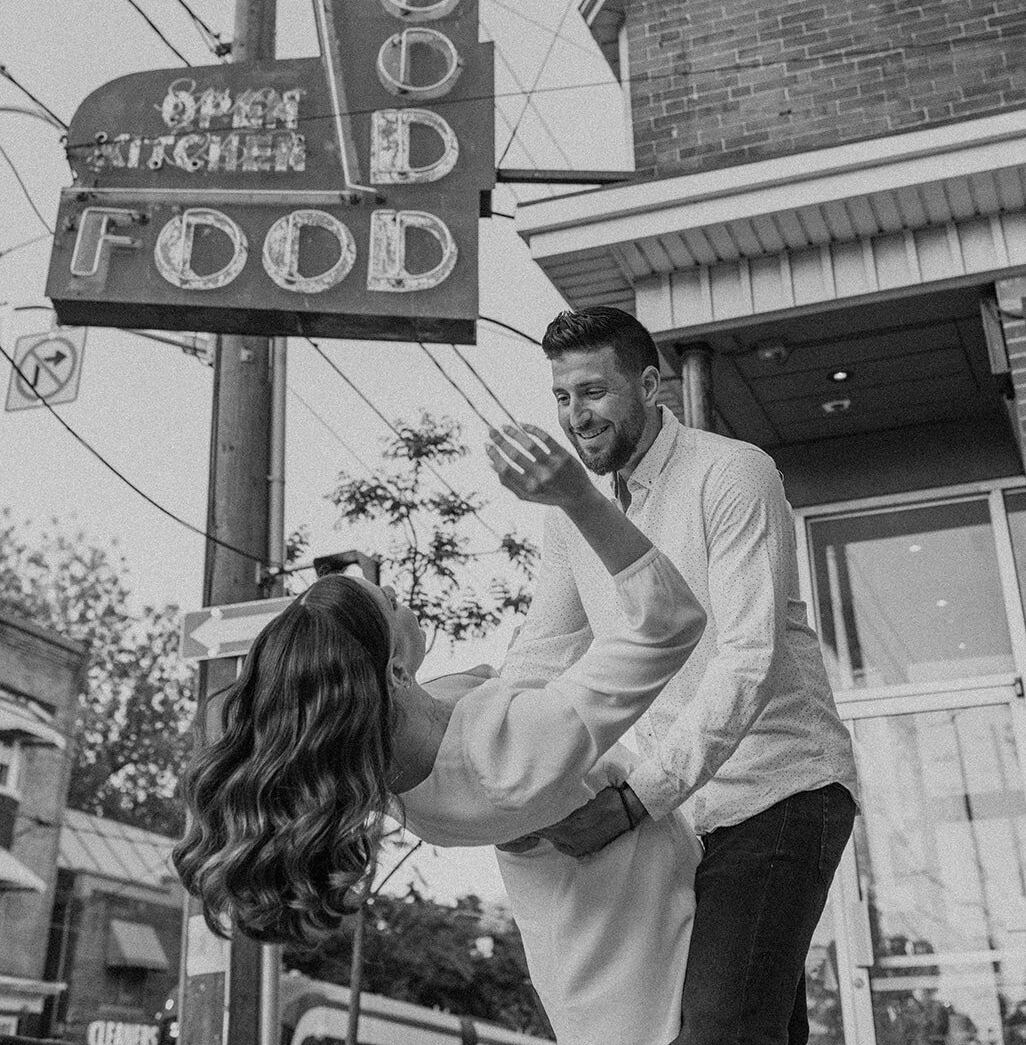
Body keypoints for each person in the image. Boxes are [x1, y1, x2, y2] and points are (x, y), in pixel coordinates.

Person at [173, 429, 707, 1045]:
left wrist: (566, 506)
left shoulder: (401, 761)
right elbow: (670, 625)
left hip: (605, 990)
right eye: (393, 601)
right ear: (393, 671)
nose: (405, 602)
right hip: (658, 985)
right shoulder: (504, 758)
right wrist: (583, 500)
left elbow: (545, 648)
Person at [496, 305, 859, 1045]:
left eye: (593, 392)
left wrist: (635, 800)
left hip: (779, 793)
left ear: (650, 384)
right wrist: (489, 764)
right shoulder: (573, 516)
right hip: (681, 823)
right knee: (735, 1026)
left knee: (715, 1030)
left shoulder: (732, 472)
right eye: (562, 398)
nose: (576, 416)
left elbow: (748, 658)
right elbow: (539, 654)